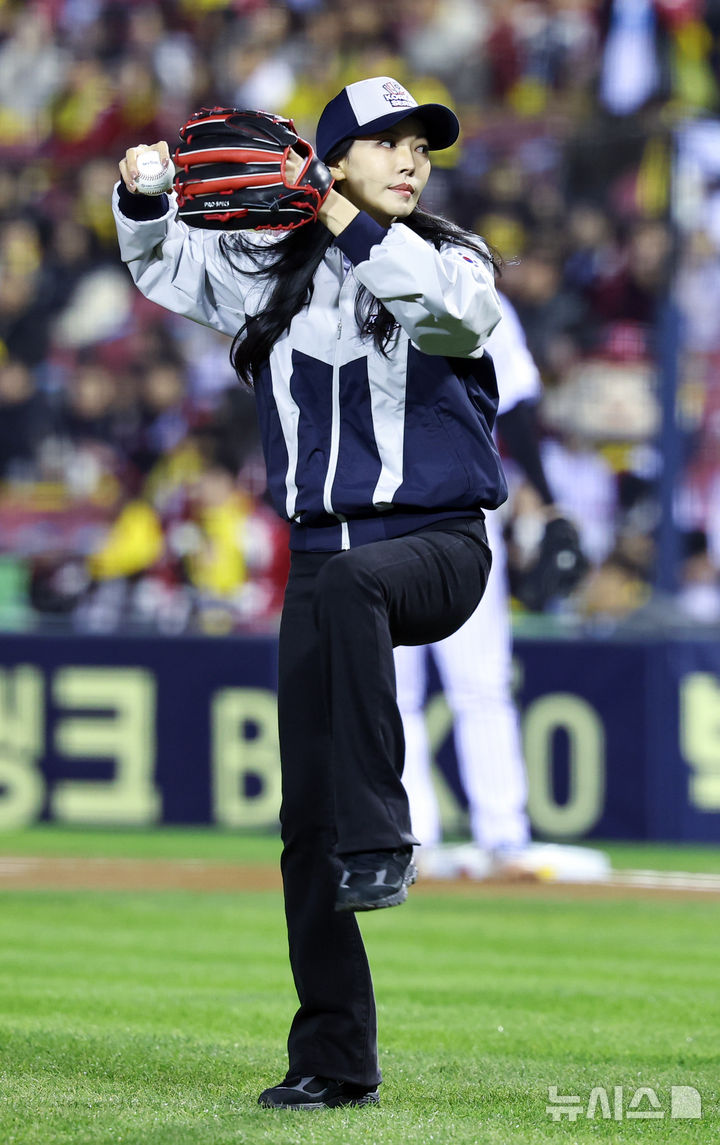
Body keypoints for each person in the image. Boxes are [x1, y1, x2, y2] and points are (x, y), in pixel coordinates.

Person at [113, 76, 507, 1112]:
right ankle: (335, 1058)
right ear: (330, 159)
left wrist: (336, 212)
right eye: (386, 141)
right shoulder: (270, 272)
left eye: (421, 144)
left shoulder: (453, 257)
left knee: (358, 590)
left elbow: (459, 318)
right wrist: (142, 194)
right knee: (303, 825)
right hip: (322, 559)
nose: (411, 158)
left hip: (435, 545)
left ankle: (381, 837)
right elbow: (162, 263)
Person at [394, 291, 554, 877]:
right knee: (404, 688)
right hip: (386, 505)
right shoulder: (357, 277)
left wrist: (546, 494)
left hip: (451, 504)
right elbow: (517, 403)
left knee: (469, 682)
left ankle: (495, 835)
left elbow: (514, 403)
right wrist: (547, 494)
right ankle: (422, 838)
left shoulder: (468, 282)